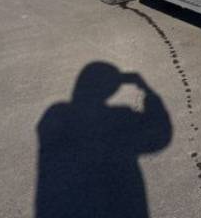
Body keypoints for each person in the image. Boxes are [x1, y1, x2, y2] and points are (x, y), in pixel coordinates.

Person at [35, 62, 172, 218]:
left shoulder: (56, 113)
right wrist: (148, 91)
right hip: (120, 205)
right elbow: (160, 136)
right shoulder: (120, 117)